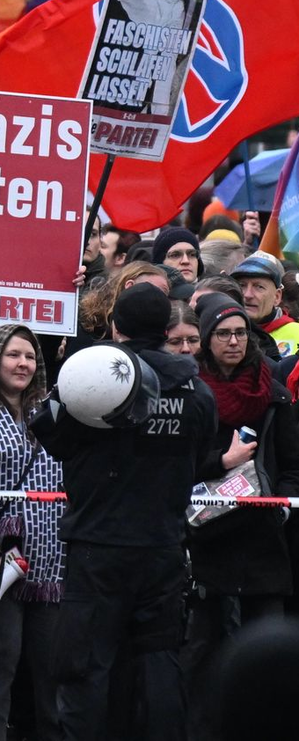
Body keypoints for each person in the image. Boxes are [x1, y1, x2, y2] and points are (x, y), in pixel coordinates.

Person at [31, 283, 218, 741]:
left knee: (84, 667)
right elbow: (202, 450)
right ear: (166, 331)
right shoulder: (196, 389)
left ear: (115, 327)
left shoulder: (91, 379)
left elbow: (48, 434)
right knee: (160, 663)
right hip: (162, 546)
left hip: (98, 546)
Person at [182, 293, 299, 740]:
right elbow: (179, 464)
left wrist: (279, 508)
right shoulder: (193, 392)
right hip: (206, 538)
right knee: (201, 651)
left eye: (240, 333)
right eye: (223, 334)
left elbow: (291, 463)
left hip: (262, 540)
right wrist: (221, 464)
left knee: (265, 648)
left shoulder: (271, 390)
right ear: (207, 340)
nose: (233, 342)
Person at [0, 326, 64, 741]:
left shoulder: (54, 413)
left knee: (55, 670)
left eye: (30, 356)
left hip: (53, 560)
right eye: (12, 355)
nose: (23, 364)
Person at [231, 252, 299, 359]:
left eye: (259, 287)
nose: (248, 295)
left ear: (277, 297)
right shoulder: (222, 332)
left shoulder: (296, 333)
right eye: (242, 285)